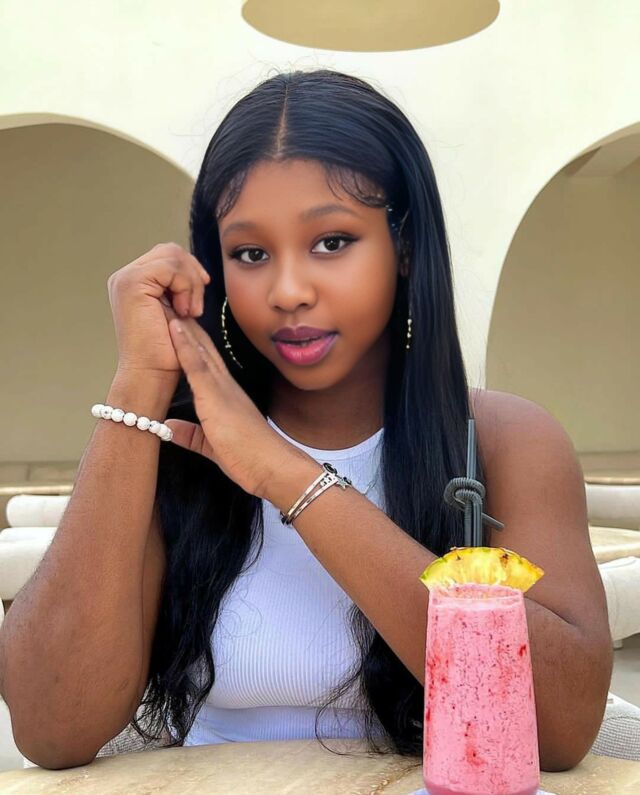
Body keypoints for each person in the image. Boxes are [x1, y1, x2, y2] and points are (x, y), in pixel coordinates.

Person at [0, 68, 612, 772]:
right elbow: (50, 727)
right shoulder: (174, 443)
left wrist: (289, 476)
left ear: (405, 246)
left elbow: (559, 729)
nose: (288, 291)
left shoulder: (502, 441)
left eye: (332, 242)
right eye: (251, 254)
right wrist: (139, 384)